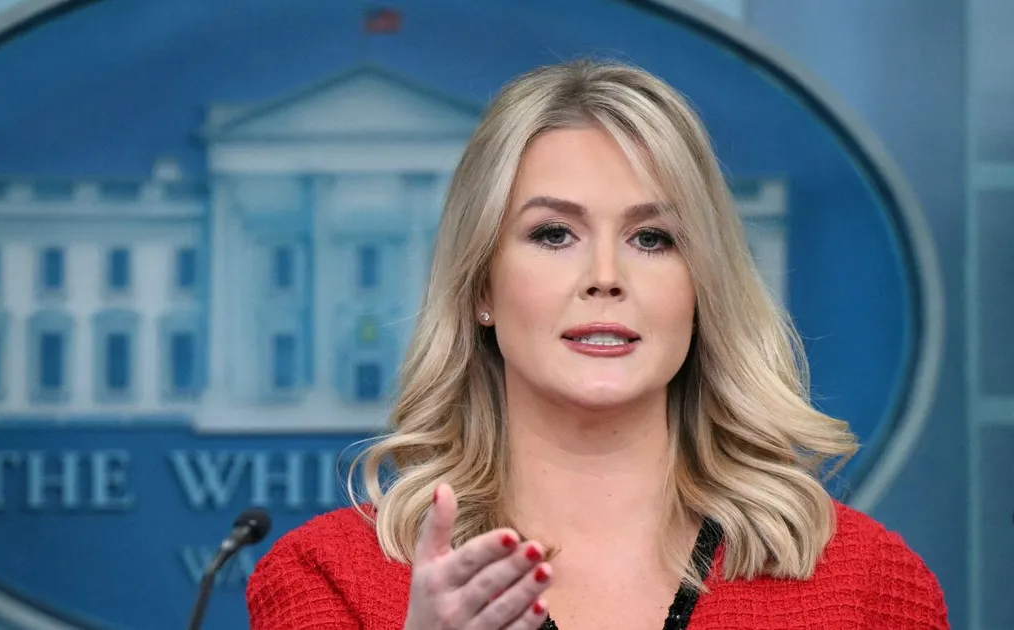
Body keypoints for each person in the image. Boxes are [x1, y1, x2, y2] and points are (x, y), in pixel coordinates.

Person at [245, 59, 949, 630]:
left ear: (702, 286)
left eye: (653, 238)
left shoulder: (869, 583)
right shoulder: (327, 577)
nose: (605, 276)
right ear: (481, 286)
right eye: (554, 234)